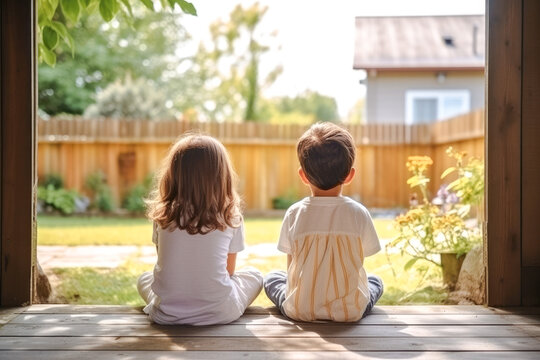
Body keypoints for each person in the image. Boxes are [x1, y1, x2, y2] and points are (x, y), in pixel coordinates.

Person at [137, 134, 263, 325]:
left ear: (174, 175)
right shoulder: (230, 215)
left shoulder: (163, 216)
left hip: (166, 314)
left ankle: (168, 304)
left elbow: (166, 263)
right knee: (254, 275)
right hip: (220, 312)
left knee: (144, 279)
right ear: (222, 176)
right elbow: (229, 272)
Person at [264, 123, 383, 322]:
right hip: (350, 311)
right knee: (375, 281)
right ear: (349, 175)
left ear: (303, 176)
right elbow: (361, 259)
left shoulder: (295, 213)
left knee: (272, 278)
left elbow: (291, 266)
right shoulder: (358, 213)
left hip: (301, 309)